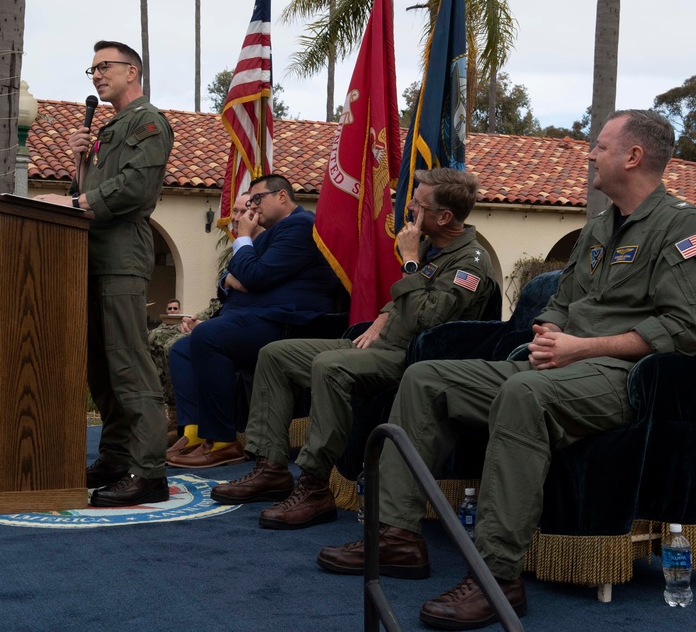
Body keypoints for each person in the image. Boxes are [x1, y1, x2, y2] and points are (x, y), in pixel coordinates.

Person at [315, 110, 696, 630]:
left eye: (600, 146)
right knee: (427, 379)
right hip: (561, 364)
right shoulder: (600, 227)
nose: (590, 154)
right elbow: (560, 301)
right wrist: (548, 336)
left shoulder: (684, 226)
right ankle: (396, 537)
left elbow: (686, 328)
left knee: (525, 395)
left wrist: (579, 347)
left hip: (625, 376)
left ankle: (498, 578)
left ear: (633, 156)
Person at [210, 168, 497, 532]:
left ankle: (314, 486)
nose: (408, 208)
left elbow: (431, 320)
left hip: (412, 355)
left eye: (418, 204)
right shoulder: (430, 246)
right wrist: (384, 313)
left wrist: (408, 263)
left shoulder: (469, 262)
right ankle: (271, 468)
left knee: (331, 366)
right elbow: (408, 303)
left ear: (444, 216)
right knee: (275, 354)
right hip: (380, 341)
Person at [36, 40, 174, 507]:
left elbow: (134, 188)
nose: (96, 75)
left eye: (104, 66)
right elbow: (88, 192)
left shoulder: (148, 122)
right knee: (100, 365)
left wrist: (75, 201)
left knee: (128, 362)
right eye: (91, 69)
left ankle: (149, 471)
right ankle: (116, 457)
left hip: (120, 256)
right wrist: (80, 166)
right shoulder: (108, 129)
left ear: (132, 70)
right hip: (88, 257)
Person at [166, 174, 340, 469]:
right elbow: (239, 274)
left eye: (257, 198)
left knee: (208, 336)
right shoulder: (276, 231)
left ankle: (223, 442)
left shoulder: (299, 225)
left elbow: (254, 276)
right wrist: (233, 277)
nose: (252, 206)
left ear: (282, 196)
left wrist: (244, 240)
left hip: (291, 323)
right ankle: (195, 432)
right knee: (181, 349)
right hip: (261, 315)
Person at [147, 193, 257, 411]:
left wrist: (206, 324)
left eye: (243, 212)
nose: (235, 217)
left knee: (175, 344)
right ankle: (174, 411)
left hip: (239, 318)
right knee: (155, 335)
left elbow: (246, 284)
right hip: (219, 308)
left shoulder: (257, 245)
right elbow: (225, 287)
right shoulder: (239, 246)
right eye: (234, 211)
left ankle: (189, 416)